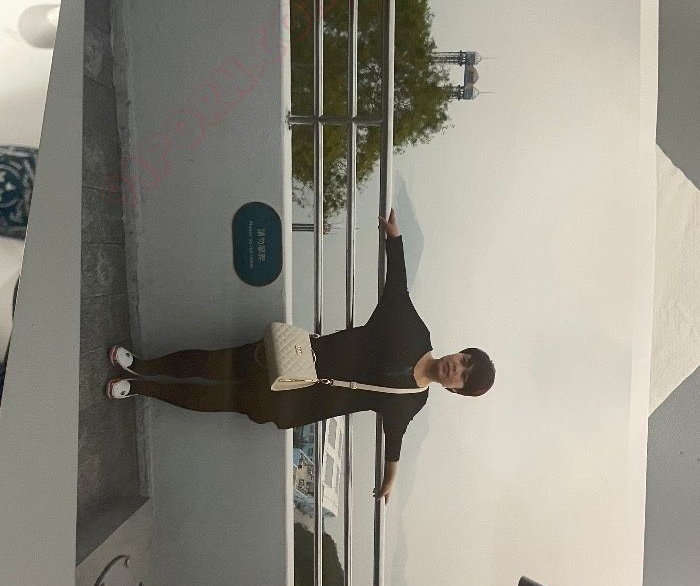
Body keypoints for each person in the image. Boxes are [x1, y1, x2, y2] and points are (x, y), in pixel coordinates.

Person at [106, 209, 495, 504]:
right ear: (459, 352)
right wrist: (395, 240)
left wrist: (390, 478)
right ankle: (142, 365)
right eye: (464, 360)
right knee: (211, 363)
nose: (456, 368)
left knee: (213, 400)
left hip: (295, 402)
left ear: (454, 390)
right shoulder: (415, 333)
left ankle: (142, 390)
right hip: (293, 355)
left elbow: (395, 437)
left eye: (462, 376)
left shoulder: (412, 400)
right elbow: (398, 289)